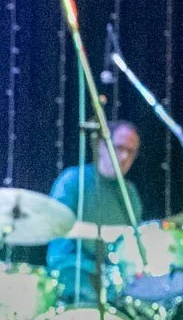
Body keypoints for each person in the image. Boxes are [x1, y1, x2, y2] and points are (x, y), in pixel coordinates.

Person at [43, 120, 143, 305]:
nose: (124, 157)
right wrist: (105, 233)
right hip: (72, 270)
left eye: (131, 152)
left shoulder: (130, 193)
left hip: (112, 277)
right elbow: (56, 225)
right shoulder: (73, 179)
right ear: (101, 146)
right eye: (119, 148)